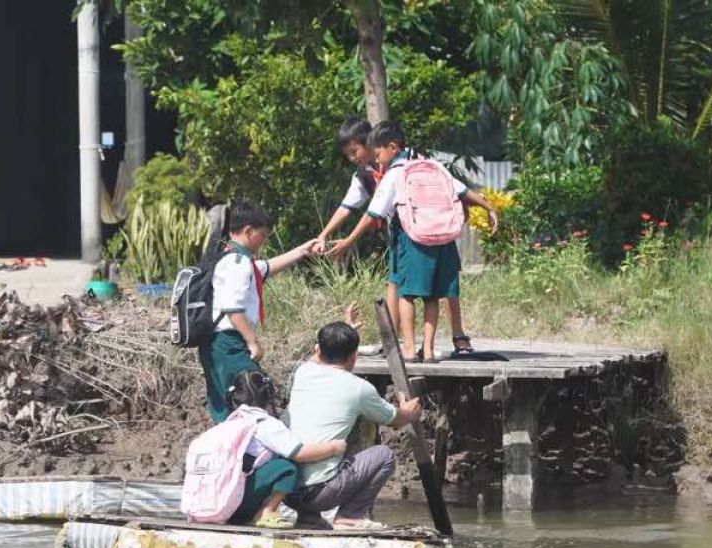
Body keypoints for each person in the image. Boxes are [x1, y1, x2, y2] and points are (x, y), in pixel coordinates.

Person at [325, 120, 500, 360]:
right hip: (441, 236)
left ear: (390, 147)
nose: (375, 160)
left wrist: (348, 240)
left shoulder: (394, 174)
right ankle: (425, 349)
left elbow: (372, 213)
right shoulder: (429, 165)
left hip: (411, 237)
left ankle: (407, 348)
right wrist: (488, 206)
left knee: (406, 294)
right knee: (433, 295)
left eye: (376, 154)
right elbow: (459, 189)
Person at [284, 320, 423, 530]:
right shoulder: (359, 389)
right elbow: (397, 419)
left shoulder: (303, 371)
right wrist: (410, 411)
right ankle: (349, 515)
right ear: (354, 356)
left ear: (319, 350)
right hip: (321, 494)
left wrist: (343, 330)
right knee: (384, 455)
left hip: (286, 490)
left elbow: (321, 351)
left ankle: (308, 517)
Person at [199, 200, 315, 422]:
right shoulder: (237, 263)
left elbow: (267, 267)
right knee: (250, 395)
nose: (264, 241)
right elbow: (233, 309)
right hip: (228, 342)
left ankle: (231, 450)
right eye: (263, 235)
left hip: (218, 343)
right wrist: (253, 342)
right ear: (249, 231)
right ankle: (243, 452)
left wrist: (303, 250)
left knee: (226, 400)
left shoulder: (231, 258)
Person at [224, 371, 348, 529]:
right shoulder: (265, 423)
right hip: (239, 507)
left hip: (220, 504)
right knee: (287, 466)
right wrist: (333, 447)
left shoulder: (228, 423)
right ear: (268, 398)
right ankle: (266, 511)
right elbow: (300, 454)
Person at [313, 117, 401, 331]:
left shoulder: (398, 164)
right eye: (348, 155)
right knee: (395, 282)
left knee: (431, 287)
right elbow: (346, 207)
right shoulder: (363, 176)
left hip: (417, 228)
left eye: (355, 151)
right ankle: (394, 338)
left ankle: (457, 334)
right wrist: (323, 235)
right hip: (395, 234)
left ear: (369, 142)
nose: (353, 158)